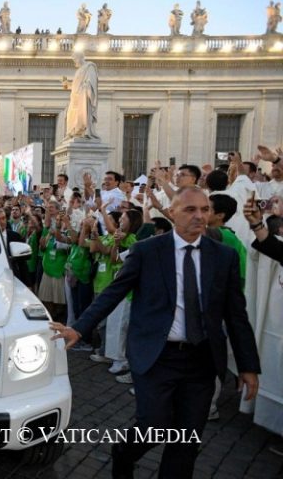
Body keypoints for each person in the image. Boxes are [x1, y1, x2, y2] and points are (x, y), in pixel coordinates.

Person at [50, 186, 261, 478]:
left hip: (202, 360)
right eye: (190, 209)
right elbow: (114, 292)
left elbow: (236, 314)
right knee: (154, 426)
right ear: (172, 212)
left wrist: (248, 365)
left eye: (205, 210)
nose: (199, 216)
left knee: (187, 441)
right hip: (156, 356)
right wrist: (79, 328)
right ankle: (124, 452)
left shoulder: (224, 256)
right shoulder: (147, 251)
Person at [62, 51, 99, 140]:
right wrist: (68, 84)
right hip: (75, 98)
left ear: (80, 58)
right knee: (69, 115)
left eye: (75, 59)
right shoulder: (78, 70)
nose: (74, 62)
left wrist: (85, 89)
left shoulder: (89, 67)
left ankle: (81, 131)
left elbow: (90, 82)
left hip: (83, 97)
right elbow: (76, 85)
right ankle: (71, 132)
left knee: (81, 116)